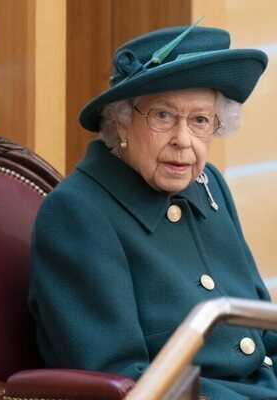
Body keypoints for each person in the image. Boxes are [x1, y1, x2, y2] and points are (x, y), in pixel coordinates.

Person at [29, 21, 277, 400]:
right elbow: (120, 379)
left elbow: (264, 333)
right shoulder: (77, 213)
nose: (183, 140)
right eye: (163, 116)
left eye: (200, 120)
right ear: (121, 119)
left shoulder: (208, 184)